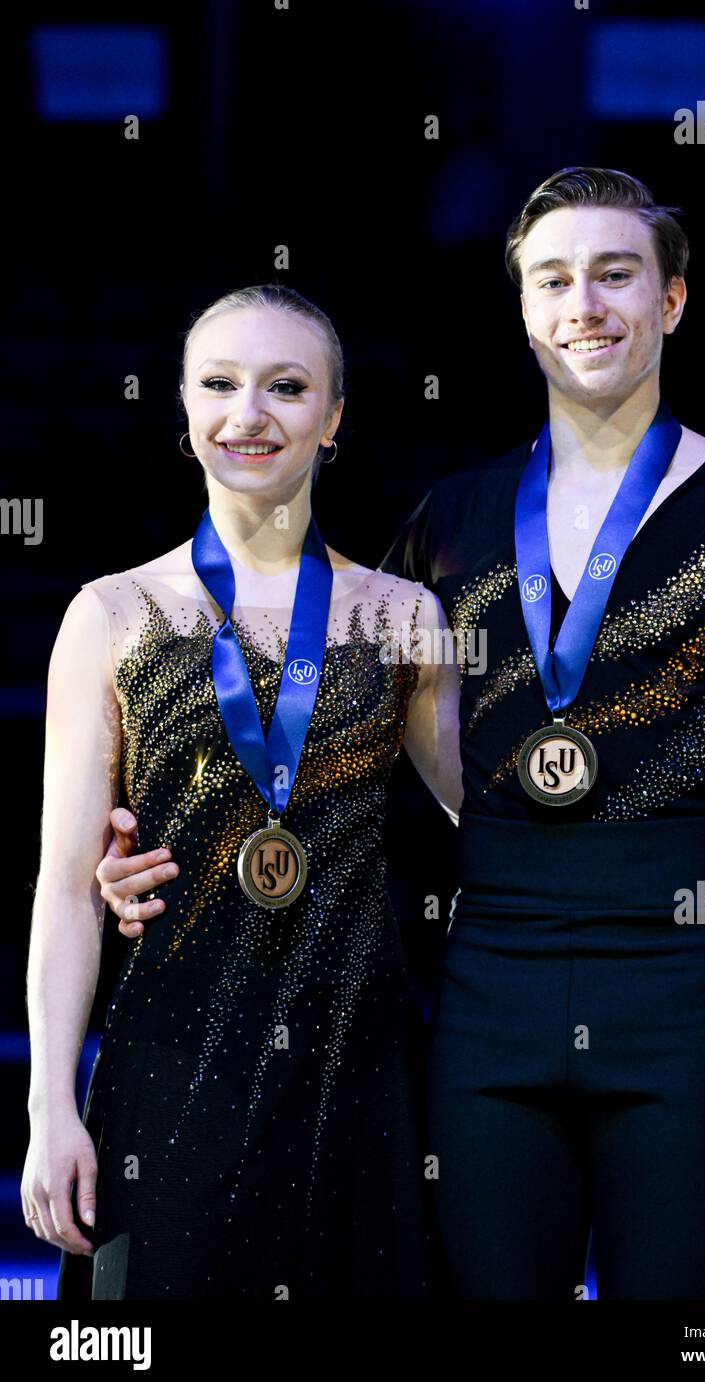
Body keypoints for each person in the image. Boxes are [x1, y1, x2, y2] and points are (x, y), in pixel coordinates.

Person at [373, 167, 705, 1299]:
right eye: (552, 279)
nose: (582, 304)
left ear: (672, 301)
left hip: (685, 993)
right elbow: (356, 760)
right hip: (489, 990)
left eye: (613, 274)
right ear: (524, 311)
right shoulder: (449, 519)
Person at [22, 284, 463, 1300]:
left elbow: (501, 826)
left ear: (334, 416)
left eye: (286, 385)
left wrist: (691, 851)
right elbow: (65, 888)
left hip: (361, 1078)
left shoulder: (401, 617)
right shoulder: (111, 614)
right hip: (169, 1074)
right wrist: (51, 1106)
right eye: (219, 383)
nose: (248, 413)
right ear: (182, 407)